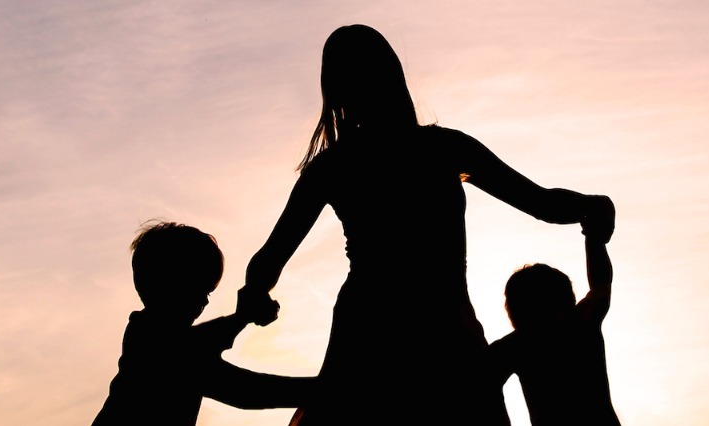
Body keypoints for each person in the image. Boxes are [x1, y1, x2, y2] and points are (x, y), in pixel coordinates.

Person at [235, 24, 615, 425]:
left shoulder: (333, 167)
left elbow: (267, 261)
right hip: (444, 327)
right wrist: (592, 206)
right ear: (393, 76)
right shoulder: (445, 148)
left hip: (368, 330)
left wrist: (255, 296)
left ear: (336, 91)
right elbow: (541, 203)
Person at [92, 220, 317, 426]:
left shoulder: (156, 337)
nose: (205, 301)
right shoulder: (148, 337)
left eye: (208, 292)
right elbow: (242, 389)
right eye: (198, 289)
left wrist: (241, 319)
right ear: (169, 283)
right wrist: (319, 389)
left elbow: (202, 343)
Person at [488, 205, 621, 425]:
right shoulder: (581, 324)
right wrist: (594, 237)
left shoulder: (516, 346)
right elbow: (601, 285)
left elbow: (478, 387)